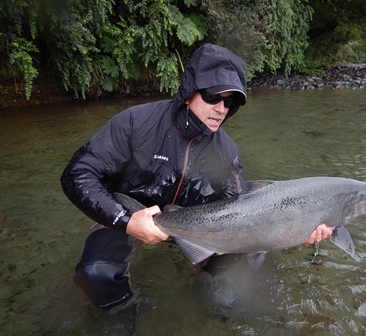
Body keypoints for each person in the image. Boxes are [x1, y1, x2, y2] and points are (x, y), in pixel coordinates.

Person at [61, 43, 333, 313]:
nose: (221, 108)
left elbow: (237, 208)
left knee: (240, 262)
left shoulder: (226, 152)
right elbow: (78, 174)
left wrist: (296, 230)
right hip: (127, 212)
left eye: (230, 101)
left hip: (200, 224)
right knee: (95, 273)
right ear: (190, 91)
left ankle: (209, 282)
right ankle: (123, 307)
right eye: (214, 97)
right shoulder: (135, 123)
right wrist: (126, 221)